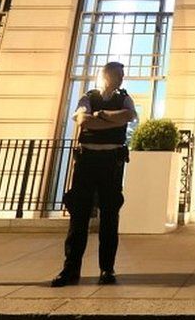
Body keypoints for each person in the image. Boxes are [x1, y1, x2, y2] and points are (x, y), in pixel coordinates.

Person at [52, 62, 137, 287]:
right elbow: (82, 120)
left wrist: (99, 116)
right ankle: (71, 270)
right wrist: (110, 120)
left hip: (112, 162)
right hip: (88, 161)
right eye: (117, 74)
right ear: (106, 76)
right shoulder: (87, 96)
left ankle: (107, 270)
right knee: (78, 218)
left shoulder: (125, 98)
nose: (120, 78)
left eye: (122, 75)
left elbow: (128, 116)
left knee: (110, 218)